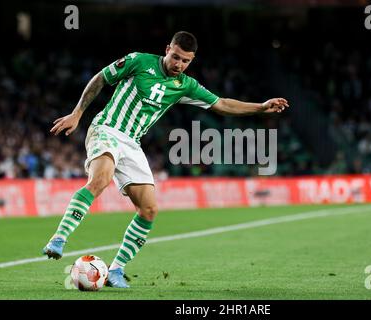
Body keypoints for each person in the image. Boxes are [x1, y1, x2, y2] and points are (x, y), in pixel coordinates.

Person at [42, 31, 289, 288]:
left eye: (185, 61)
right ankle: (59, 239)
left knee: (149, 210)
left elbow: (222, 104)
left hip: (132, 144)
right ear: (167, 49)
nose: (179, 64)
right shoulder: (139, 61)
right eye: (175, 57)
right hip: (107, 129)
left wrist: (260, 107)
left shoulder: (185, 85)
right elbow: (101, 78)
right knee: (100, 179)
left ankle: (116, 270)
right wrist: (77, 113)